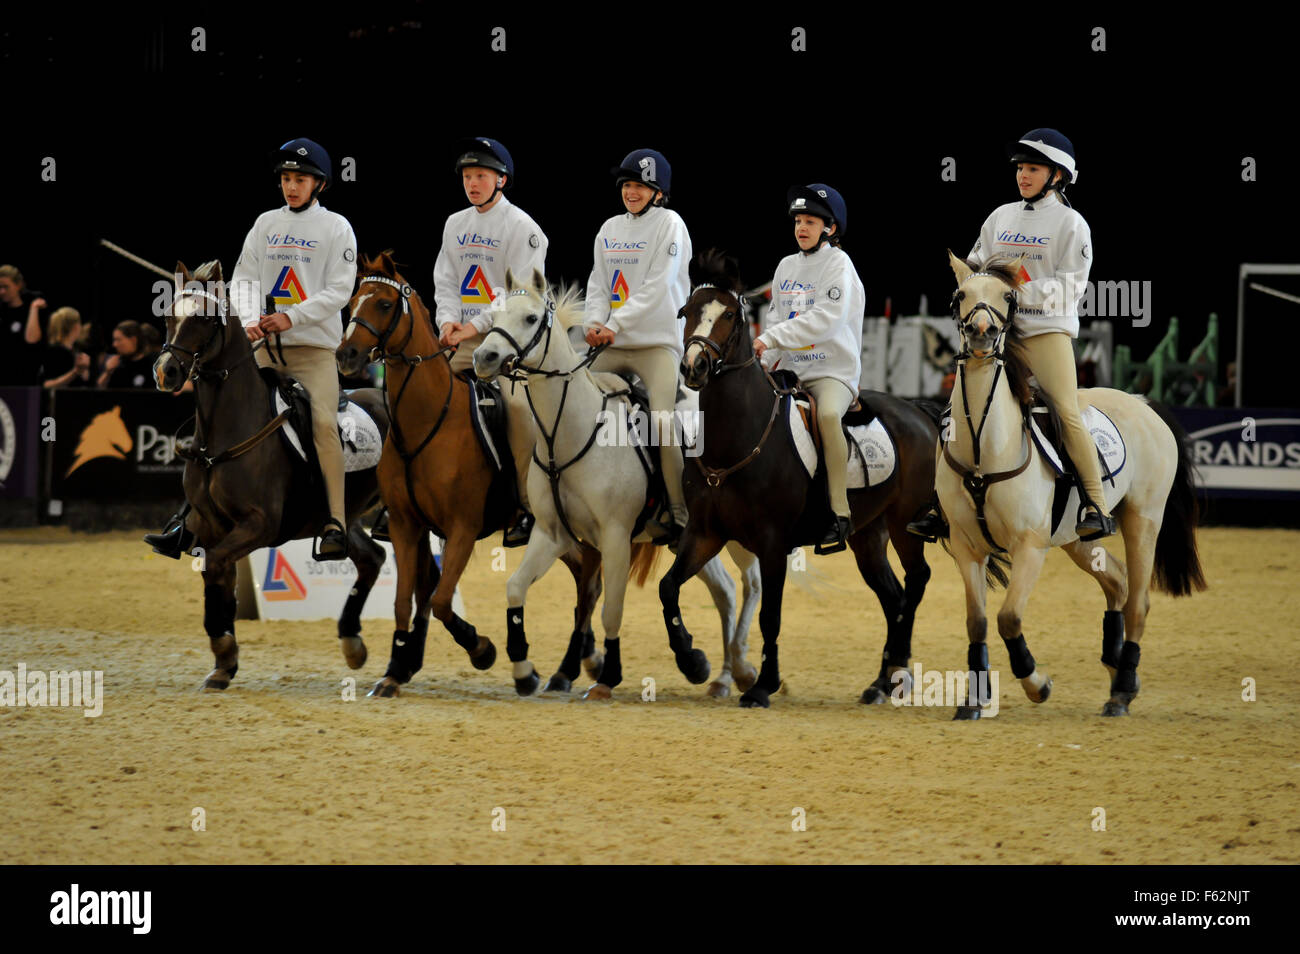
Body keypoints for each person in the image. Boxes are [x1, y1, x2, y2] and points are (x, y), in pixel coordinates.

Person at [145, 137, 357, 560]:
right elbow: (242, 281)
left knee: (322, 426)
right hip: (262, 351)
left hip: (312, 352)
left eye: (299, 179)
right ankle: (187, 518)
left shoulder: (337, 228)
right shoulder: (264, 224)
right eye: (286, 179)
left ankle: (334, 521)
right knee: (215, 416)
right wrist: (248, 320)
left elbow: (339, 290)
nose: (291, 186)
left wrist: (290, 317)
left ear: (318, 184)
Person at [909, 127, 1113, 541]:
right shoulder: (1000, 216)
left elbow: (1072, 287)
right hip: (996, 335)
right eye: (1021, 168)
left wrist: (1013, 293)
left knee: (1068, 413)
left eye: (1033, 168)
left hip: (1045, 333)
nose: (1023, 175)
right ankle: (938, 504)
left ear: (1058, 175)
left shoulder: (1072, 224)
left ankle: (1096, 504)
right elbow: (977, 264)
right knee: (953, 412)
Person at [372, 137, 545, 547]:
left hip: (508, 344)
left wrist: (479, 324)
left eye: (481, 175)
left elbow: (521, 293)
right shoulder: (455, 224)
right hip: (459, 340)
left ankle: (525, 508)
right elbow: (446, 281)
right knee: (413, 398)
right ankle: (394, 501)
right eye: (468, 176)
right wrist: (448, 322)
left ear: (501, 179)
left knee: (519, 412)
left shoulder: (524, 228)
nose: (473, 183)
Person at [583, 148, 692, 548]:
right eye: (627, 185)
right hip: (611, 340)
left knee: (662, 420)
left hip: (657, 346)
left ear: (657, 192)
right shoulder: (609, 228)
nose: (631, 192)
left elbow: (658, 288)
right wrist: (594, 323)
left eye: (640, 186)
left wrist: (614, 324)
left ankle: (678, 510)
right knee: (566, 402)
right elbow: (598, 283)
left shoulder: (671, 225)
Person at [753, 184, 865, 554]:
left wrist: (770, 340)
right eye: (799, 221)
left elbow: (825, 321)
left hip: (831, 371)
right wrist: (761, 361)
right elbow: (775, 320)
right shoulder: (786, 266)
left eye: (811, 221)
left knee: (829, 416)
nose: (802, 227)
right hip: (791, 370)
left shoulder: (839, 265)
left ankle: (839, 511)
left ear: (830, 228)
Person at [0, 264, 47, 385]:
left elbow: (31, 339)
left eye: (6, 287)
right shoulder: (2, 312)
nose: (2, 291)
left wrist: (34, 308)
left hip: (27, 377)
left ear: (18, 285)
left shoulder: (32, 307)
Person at [41, 306, 92, 388]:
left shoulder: (74, 350)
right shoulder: (55, 351)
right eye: (79, 323)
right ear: (75, 326)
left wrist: (83, 371)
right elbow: (47, 384)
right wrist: (76, 372)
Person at [98, 320, 155, 388]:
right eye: (114, 340)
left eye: (118, 340)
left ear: (133, 340)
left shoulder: (153, 365)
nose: (114, 345)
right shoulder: (117, 364)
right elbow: (100, 391)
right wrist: (107, 372)